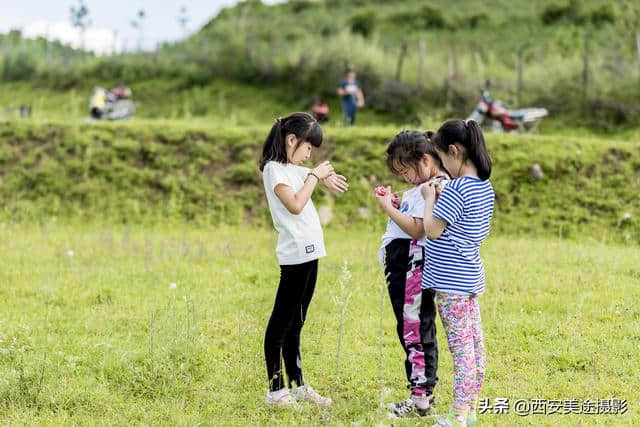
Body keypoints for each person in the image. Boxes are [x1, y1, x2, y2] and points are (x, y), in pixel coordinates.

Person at [259, 112, 349, 407]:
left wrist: (326, 177)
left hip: (311, 253)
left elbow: (314, 177)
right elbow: (296, 204)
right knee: (281, 323)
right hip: (295, 255)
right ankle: (276, 390)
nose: (309, 154)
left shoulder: (293, 168)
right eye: (308, 147)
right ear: (291, 140)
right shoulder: (274, 170)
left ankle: (297, 385)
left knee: (297, 321)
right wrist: (314, 175)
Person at [420, 119, 494, 427]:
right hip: (470, 277)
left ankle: (457, 415)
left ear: (454, 151)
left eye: (442, 158)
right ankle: (471, 410)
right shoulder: (485, 188)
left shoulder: (455, 188)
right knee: (475, 346)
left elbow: (432, 231)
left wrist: (428, 200)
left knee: (462, 351)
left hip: (450, 282)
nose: (442, 166)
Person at [375, 130, 449, 418]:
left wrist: (385, 209)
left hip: (412, 264)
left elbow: (417, 229)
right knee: (414, 327)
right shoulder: (422, 187)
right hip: (405, 264)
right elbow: (413, 218)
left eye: (406, 169)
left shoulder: (430, 185)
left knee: (414, 328)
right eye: (400, 171)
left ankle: (421, 397)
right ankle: (423, 394)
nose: (405, 175)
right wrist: (397, 205)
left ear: (426, 159)